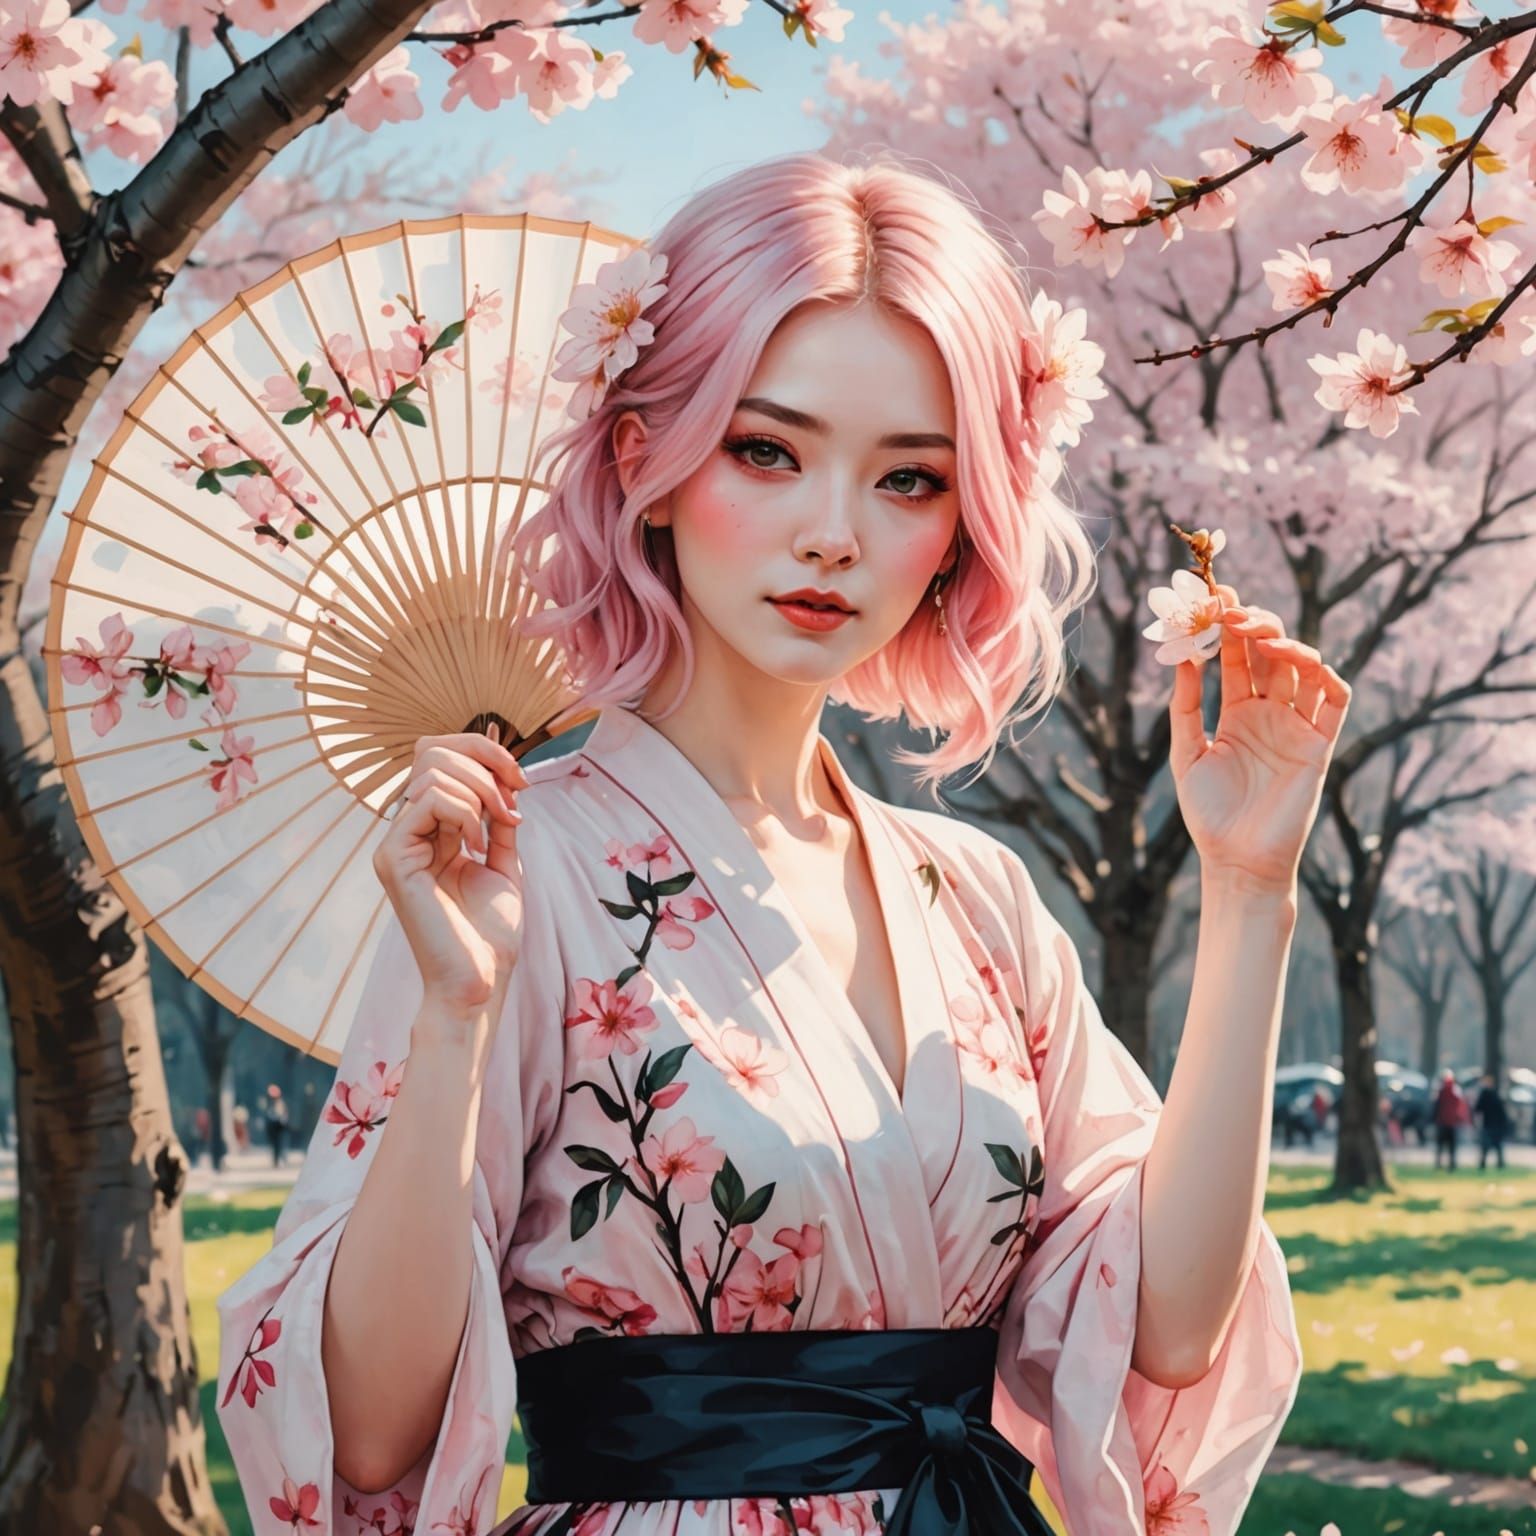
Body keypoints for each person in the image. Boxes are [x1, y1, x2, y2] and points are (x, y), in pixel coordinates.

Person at [216, 151, 1351, 1536]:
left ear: (960, 525)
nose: (832, 534)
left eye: (908, 480)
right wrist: (456, 1017)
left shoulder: (977, 896)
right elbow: (374, 1443)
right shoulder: (518, 877)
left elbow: (1165, 1329)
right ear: (648, 458)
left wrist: (1249, 897)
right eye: (767, 450)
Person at [1433, 1070, 1470, 1170]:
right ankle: (1452, 1165)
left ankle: (1438, 1164)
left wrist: (1434, 1118)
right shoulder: (1456, 1090)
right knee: (1452, 1147)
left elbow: (1436, 1106)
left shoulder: (1440, 1090)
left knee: (1440, 1146)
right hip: (1453, 1123)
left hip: (1442, 1122)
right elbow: (1461, 1106)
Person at [1474, 1072, 1509, 1170]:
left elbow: (1478, 1108)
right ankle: (1496, 1164)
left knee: (1489, 1146)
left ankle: (1487, 1164)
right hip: (1493, 1124)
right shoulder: (1495, 1094)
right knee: (1494, 1146)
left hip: (1490, 1124)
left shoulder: (1486, 1094)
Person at [264, 1084, 291, 1168]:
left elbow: (284, 1116)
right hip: (273, 1127)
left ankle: (282, 1160)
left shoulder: (280, 1103)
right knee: (275, 1145)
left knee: (281, 1144)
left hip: (280, 1127)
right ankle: (276, 1161)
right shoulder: (269, 1104)